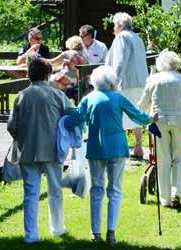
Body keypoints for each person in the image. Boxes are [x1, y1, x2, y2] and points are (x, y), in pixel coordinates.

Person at [64, 65, 156, 246]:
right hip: (117, 148)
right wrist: (151, 117)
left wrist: (60, 115)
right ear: (112, 82)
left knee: (96, 190)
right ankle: (111, 233)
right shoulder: (118, 98)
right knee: (115, 190)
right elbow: (138, 116)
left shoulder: (88, 99)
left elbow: (74, 121)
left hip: (96, 149)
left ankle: (95, 232)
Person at [7, 58, 73, 243]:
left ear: (29, 75)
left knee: (30, 193)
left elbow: (12, 125)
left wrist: (21, 138)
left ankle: (31, 235)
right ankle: (58, 228)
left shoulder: (22, 95)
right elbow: (72, 117)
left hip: (28, 149)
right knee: (55, 191)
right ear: (48, 75)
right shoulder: (57, 95)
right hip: (53, 150)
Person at [138, 50, 181, 209]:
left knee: (163, 159)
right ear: (176, 64)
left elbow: (143, 104)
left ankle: (165, 200)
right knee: (179, 158)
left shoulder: (153, 79)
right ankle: (175, 194)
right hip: (179, 122)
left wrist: (141, 115)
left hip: (158, 122)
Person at [105, 12, 149, 160]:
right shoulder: (137, 38)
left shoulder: (121, 37)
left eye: (114, 25)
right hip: (140, 81)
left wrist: (113, 81)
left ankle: (121, 148)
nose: (113, 29)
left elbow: (120, 61)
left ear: (119, 25)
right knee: (136, 113)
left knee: (119, 115)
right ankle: (138, 147)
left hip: (126, 82)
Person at [48, 35, 87, 100]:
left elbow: (51, 62)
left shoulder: (68, 53)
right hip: (77, 83)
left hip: (65, 81)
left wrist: (37, 58)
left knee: (45, 80)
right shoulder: (84, 55)